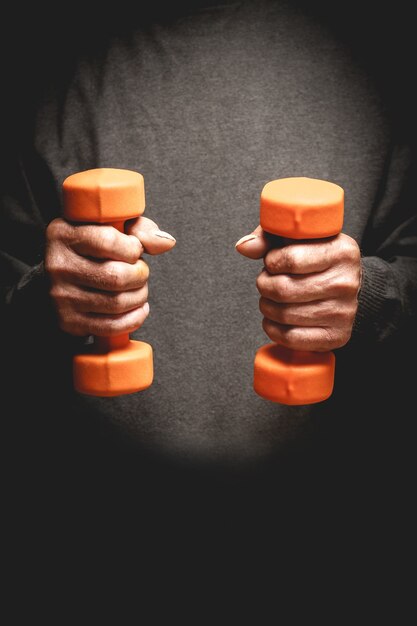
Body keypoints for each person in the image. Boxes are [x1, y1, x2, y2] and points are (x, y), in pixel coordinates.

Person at [1, 0, 416, 595]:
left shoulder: (385, 54)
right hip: (73, 541)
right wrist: (40, 298)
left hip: (340, 544)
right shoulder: (37, 54)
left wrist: (378, 296)